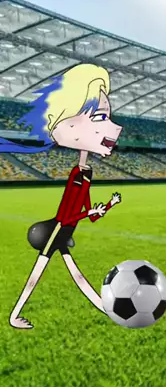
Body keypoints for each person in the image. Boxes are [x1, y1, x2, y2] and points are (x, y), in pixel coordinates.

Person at [1, 63, 123, 329]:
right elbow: (68, 214)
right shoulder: (76, 176)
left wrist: (107, 206)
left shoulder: (86, 173)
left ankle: (106, 309)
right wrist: (88, 212)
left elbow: (90, 214)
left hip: (66, 231)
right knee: (37, 273)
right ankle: (14, 316)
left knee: (77, 274)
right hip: (56, 229)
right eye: (100, 117)